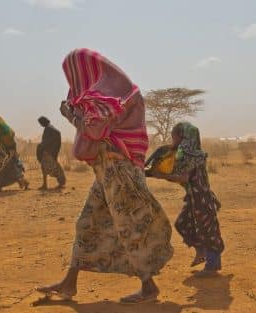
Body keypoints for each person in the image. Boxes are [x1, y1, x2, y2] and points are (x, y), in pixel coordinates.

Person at [36, 48, 174, 304]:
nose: (73, 82)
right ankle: (69, 284)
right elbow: (95, 128)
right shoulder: (111, 95)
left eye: (73, 75)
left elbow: (94, 130)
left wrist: (71, 115)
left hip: (119, 171)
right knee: (88, 223)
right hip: (107, 171)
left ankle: (149, 286)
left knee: (129, 227)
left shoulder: (108, 98)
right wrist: (76, 115)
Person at [150, 122, 224, 277]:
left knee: (207, 230)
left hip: (201, 198)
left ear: (182, 137)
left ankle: (212, 265)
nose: (172, 140)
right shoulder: (190, 154)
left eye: (173, 136)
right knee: (182, 223)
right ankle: (201, 251)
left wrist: (160, 175)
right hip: (194, 197)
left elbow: (182, 176)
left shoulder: (190, 155)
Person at [0, 112, 29, 191]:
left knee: (11, 168)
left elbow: (9, 142)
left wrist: (10, 152)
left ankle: (23, 182)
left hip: (8, 152)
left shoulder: (3, 129)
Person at [36, 116, 66, 190]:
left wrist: (40, 146)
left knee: (52, 168)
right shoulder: (50, 128)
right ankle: (46, 184)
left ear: (43, 122)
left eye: (40, 123)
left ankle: (58, 183)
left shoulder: (49, 129)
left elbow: (47, 141)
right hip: (49, 152)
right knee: (45, 168)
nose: (40, 124)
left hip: (49, 153)